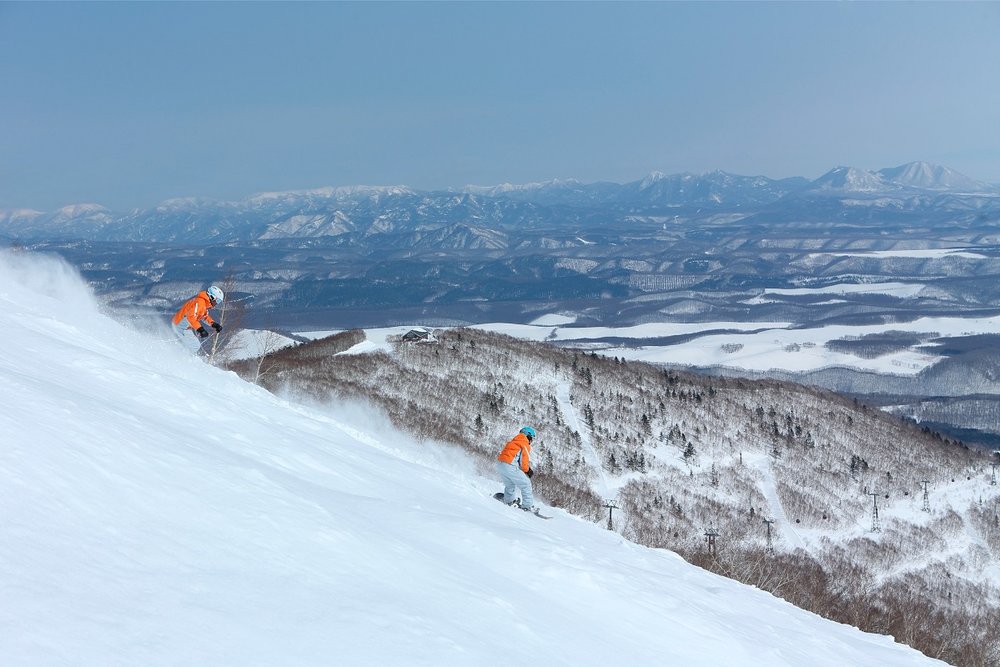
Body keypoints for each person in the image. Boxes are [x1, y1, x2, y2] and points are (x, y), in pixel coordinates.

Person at [171, 285, 224, 353]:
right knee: (195, 345)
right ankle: (181, 357)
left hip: (184, 326)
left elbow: (204, 316)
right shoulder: (200, 303)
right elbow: (191, 317)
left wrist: (214, 324)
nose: (217, 303)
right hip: (180, 325)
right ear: (212, 297)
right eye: (218, 300)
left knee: (193, 345)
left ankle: (181, 355)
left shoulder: (203, 303)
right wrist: (200, 329)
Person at [497, 426, 537, 512]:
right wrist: (528, 471)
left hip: (500, 465)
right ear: (528, 436)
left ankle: (509, 501)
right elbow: (524, 461)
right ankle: (527, 506)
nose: (531, 441)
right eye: (532, 438)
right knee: (526, 484)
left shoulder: (513, 441)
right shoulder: (524, 444)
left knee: (510, 484)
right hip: (509, 466)